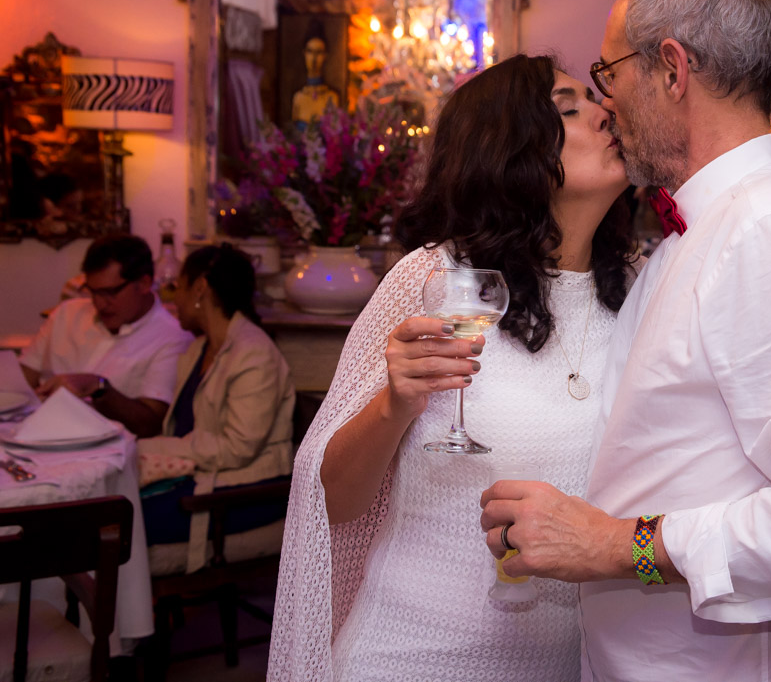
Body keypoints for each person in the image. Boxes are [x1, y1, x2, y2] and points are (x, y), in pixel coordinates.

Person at [479, 0, 771, 682]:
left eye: (609, 75)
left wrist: (616, 544)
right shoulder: (694, 236)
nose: (603, 102)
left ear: (672, 70)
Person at [267, 54, 635, 681]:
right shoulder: (433, 280)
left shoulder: (636, 290)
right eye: (570, 107)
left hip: (566, 665)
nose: (609, 112)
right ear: (512, 151)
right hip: (410, 656)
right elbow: (329, 501)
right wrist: (395, 403)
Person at [136, 244, 295, 572]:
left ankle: (127, 622)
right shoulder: (199, 349)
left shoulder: (254, 354)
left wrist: (161, 449)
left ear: (199, 288)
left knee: (120, 522)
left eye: (177, 287)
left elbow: (238, 448)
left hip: (243, 489)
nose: (173, 299)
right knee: (110, 505)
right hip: (198, 477)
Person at [20, 233, 192, 435]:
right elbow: (22, 379)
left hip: (106, 451)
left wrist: (98, 387)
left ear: (144, 284)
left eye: (111, 292)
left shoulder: (172, 337)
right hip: (36, 434)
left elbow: (151, 423)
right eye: (93, 292)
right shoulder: (67, 313)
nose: (100, 303)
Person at [291, 32, 339, 128]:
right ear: (304, 53)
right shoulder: (298, 98)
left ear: (325, 55)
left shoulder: (332, 97)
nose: (314, 58)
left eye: (319, 52)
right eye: (310, 51)